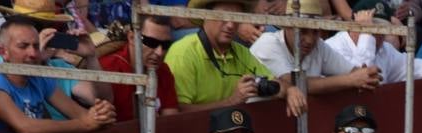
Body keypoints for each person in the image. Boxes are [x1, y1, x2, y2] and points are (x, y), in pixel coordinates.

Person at [0, 19, 116, 133]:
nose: (33, 53)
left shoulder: (37, 71)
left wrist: (101, 115)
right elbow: (25, 127)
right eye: (23, 46)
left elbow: (79, 113)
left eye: (36, 46)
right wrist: (86, 124)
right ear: (3, 52)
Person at [163, 0, 308, 116]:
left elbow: (272, 81)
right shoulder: (183, 52)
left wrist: (290, 90)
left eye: (236, 18)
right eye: (223, 17)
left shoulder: (241, 52)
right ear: (205, 14)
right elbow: (178, 113)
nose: (231, 24)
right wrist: (231, 101)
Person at [250, 0, 384, 95]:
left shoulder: (319, 46)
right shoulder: (267, 43)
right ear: (286, 26)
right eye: (302, 31)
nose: (309, 40)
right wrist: (351, 80)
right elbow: (293, 83)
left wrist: (366, 76)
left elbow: (353, 72)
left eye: (315, 31)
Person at [324, 0, 422, 92]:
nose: (379, 36)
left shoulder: (384, 50)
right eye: (373, 30)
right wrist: (366, 34)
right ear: (354, 25)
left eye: (383, 30)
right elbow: (364, 79)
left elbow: (413, 66)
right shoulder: (333, 47)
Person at [96, 17, 182, 120]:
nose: (159, 52)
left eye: (165, 45)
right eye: (151, 42)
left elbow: (170, 121)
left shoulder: (163, 70)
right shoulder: (107, 68)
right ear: (132, 38)